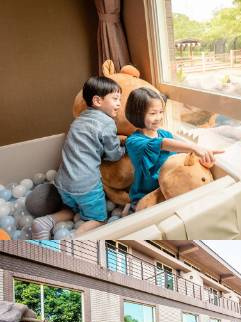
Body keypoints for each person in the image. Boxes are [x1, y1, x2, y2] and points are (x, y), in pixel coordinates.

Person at [31, 76, 124, 239]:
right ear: (97, 101)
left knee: (71, 210)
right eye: (115, 99)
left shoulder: (79, 120)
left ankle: (45, 222)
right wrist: (124, 148)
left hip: (63, 183)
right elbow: (113, 154)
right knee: (100, 219)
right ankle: (73, 237)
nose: (119, 104)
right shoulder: (108, 123)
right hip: (86, 186)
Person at [124, 87, 220, 206]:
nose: (158, 117)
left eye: (161, 112)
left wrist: (201, 162)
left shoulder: (166, 134)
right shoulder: (133, 142)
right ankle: (130, 207)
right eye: (153, 113)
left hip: (171, 187)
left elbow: (178, 160)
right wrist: (194, 147)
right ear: (137, 114)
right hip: (148, 194)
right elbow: (161, 144)